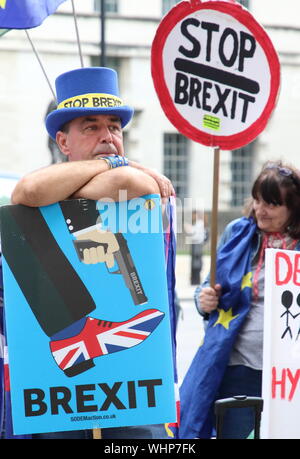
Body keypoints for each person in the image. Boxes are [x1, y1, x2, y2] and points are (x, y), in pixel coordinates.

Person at [0, 66, 176, 439]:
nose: (108, 136)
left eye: (114, 126)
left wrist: (107, 169)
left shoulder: (140, 178)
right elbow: (27, 192)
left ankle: (80, 336)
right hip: (58, 396)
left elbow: (128, 182)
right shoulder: (54, 187)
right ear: (63, 143)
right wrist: (107, 165)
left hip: (134, 385)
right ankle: (76, 335)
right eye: (91, 127)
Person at [178, 160, 300, 439]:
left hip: (289, 372)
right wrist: (203, 298)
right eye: (257, 200)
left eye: (271, 204)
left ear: (293, 208)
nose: (260, 210)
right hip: (237, 366)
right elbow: (211, 284)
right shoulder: (238, 232)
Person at [185, 210, 208, 285]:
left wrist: (188, 228)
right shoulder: (199, 223)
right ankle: (194, 279)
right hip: (197, 244)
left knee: (196, 262)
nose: (192, 217)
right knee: (196, 262)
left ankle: (195, 280)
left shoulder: (199, 223)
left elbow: (194, 234)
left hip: (197, 244)